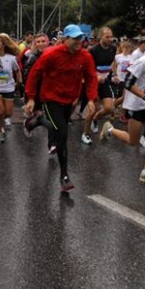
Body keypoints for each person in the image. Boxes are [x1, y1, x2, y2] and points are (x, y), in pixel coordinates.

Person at [25, 24, 98, 192]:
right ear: (65, 39)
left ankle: (38, 120)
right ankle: (64, 176)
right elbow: (35, 74)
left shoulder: (85, 56)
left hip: (70, 99)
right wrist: (30, 98)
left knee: (60, 131)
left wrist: (92, 98)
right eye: (74, 38)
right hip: (51, 98)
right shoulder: (51, 54)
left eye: (80, 38)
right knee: (62, 134)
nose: (79, 41)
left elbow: (91, 76)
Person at [100, 33, 145, 186]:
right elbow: (128, 83)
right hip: (135, 106)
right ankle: (109, 129)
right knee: (132, 141)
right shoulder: (142, 62)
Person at [82, 27, 117, 145]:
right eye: (107, 37)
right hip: (93, 82)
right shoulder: (93, 50)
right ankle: (85, 134)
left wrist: (114, 74)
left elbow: (113, 63)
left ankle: (96, 119)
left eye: (111, 36)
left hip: (105, 81)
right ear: (100, 37)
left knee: (109, 108)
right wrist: (96, 77)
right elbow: (87, 68)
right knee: (93, 109)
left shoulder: (113, 48)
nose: (110, 39)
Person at [0, 34, 21, 143]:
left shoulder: (11, 58)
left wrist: (18, 83)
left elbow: (17, 70)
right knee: (0, 110)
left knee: (8, 113)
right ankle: (0, 131)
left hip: (9, 87)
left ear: (4, 44)